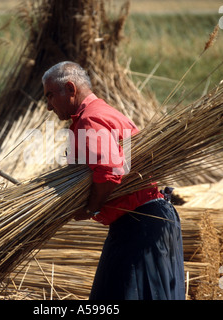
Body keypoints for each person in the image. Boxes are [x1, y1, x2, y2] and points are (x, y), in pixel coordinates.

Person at [42, 61, 185, 300]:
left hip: (140, 224)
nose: (48, 106)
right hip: (146, 221)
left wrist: (91, 208)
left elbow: (110, 172)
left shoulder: (91, 119)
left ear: (70, 88)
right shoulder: (105, 112)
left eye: (49, 96)